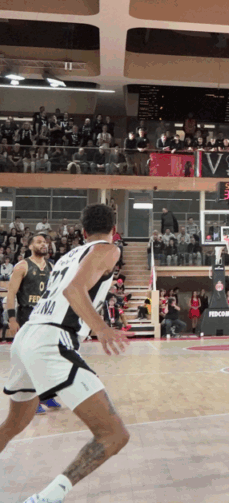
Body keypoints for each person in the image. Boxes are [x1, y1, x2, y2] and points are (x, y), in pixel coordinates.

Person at [0, 204, 131, 503]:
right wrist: (102, 328)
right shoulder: (108, 250)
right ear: (113, 231)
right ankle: (46, 498)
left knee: (14, 424)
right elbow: (74, 291)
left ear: (82, 232)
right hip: (51, 339)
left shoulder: (68, 256)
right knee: (114, 435)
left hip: (28, 336)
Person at [5, 232, 62, 413]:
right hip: (27, 314)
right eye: (38, 242)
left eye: (45, 242)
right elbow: (11, 294)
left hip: (46, 316)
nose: (43, 244)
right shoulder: (22, 266)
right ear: (30, 246)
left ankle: (47, 395)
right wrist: (12, 319)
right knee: (31, 358)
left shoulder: (52, 266)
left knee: (48, 357)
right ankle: (32, 400)